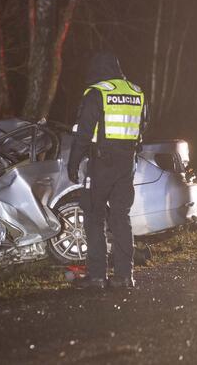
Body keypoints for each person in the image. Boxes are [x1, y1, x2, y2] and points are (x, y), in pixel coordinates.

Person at [67, 51, 146, 289]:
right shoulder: (136, 92)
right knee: (121, 217)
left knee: (94, 216)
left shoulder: (97, 93)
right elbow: (143, 127)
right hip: (127, 164)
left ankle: (98, 276)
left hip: (101, 164)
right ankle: (124, 276)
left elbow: (83, 133)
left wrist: (74, 163)